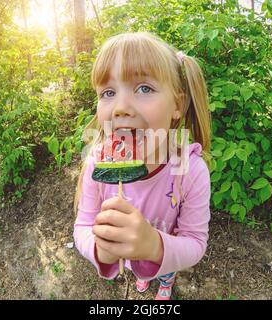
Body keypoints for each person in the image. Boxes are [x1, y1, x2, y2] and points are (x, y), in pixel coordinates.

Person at [73, 32, 211, 300]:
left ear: (178, 105)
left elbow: (194, 243)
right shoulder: (97, 164)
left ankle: (165, 284)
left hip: (165, 251)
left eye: (144, 88)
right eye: (108, 92)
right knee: (140, 271)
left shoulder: (190, 171)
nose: (120, 108)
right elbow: (82, 228)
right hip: (129, 258)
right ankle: (142, 276)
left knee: (164, 270)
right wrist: (101, 250)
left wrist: (153, 246)